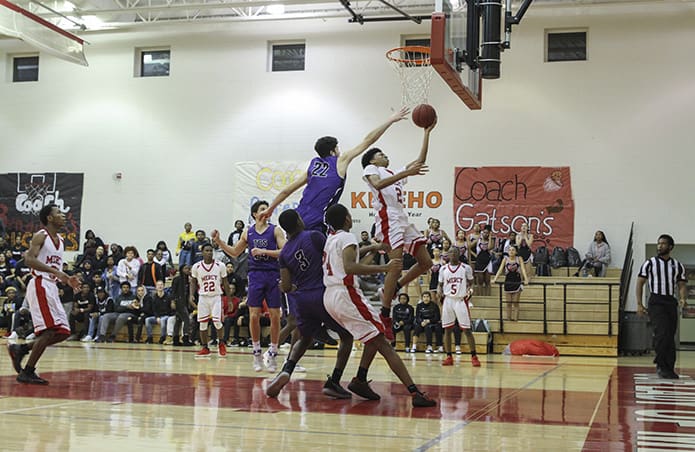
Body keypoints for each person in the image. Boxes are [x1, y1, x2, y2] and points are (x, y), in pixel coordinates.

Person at [321, 203, 436, 407]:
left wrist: (374, 247)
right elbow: (350, 267)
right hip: (345, 294)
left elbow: (349, 257)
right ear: (347, 219)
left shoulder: (332, 239)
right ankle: (414, 392)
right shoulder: (347, 237)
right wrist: (385, 267)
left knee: (374, 337)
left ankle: (360, 379)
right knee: (382, 341)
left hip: (329, 296)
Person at [259, 108, 409, 233]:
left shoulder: (313, 166)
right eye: (337, 147)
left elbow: (287, 191)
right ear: (332, 151)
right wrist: (390, 120)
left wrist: (271, 209)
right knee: (321, 260)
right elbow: (368, 140)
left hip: (299, 215)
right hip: (319, 218)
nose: (339, 150)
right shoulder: (340, 161)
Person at [266, 209, 355, 399]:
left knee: (304, 339)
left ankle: (286, 370)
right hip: (323, 294)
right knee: (346, 336)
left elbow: (287, 286)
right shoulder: (313, 236)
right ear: (299, 221)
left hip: (302, 299)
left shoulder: (284, 253)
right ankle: (334, 381)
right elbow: (333, 256)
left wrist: (296, 284)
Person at [360, 120, 436, 339]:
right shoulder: (371, 168)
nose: (385, 155)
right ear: (373, 159)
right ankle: (385, 314)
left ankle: (392, 289)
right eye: (381, 153)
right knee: (396, 263)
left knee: (426, 262)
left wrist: (426, 132)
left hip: (402, 217)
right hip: (388, 217)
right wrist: (405, 174)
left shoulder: (392, 171)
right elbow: (377, 184)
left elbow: (419, 161)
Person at [7, 203, 81, 385]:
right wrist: (56, 273)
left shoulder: (61, 241)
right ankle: (28, 371)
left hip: (52, 286)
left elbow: (55, 268)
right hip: (40, 284)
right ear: (49, 217)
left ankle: (21, 348)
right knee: (50, 331)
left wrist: (67, 278)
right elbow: (29, 260)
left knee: (63, 332)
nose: (63, 216)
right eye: (59, 213)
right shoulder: (41, 236)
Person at [212, 200, 286, 372]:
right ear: (254, 214)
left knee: (275, 316)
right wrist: (219, 241)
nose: (266, 211)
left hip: (272, 275)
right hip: (255, 276)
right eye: (262, 209)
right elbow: (235, 252)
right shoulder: (248, 232)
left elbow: (284, 251)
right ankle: (257, 352)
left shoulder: (275, 230)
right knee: (254, 315)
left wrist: (264, 252)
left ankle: (273, 353)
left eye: (267, 208)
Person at [636, 234, 687, 379]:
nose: (659, 246)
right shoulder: (650, 263)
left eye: (663, 244)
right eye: (658, 243)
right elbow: (640, 282)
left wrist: (683, 298)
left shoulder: (677, 265)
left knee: (670, 335)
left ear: (670, 247)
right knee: (662, 333)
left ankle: (669, 368)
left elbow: (682, 285)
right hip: (656, 301)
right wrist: (639, 304)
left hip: (670, 301)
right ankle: (660, 364)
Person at [438, 246, 480, 367]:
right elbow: (440, 284)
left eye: (455, 252)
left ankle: (474, 356)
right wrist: (438, 290)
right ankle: (449, 356)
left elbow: (471, 283)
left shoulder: (466, 268)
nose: (453, 254)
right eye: (451, 252)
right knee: (447, 329)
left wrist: (470, 291)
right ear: (448, 255)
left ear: (459, 254)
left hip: (461, 300)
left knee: (467, 329)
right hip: (448, 300)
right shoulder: (443, 269)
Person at [190, 243, 230, 358]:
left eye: (210, 250)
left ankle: (221, 343)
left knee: (217, 322)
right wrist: (191, 295)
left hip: (216, 297)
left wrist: (230, 299)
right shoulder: (196, 266)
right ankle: (205, 347)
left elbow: (226, 282)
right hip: (203, 297)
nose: (209, 252)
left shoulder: (220, 265)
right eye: (206, 250)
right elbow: (193, 281)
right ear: (202, 252)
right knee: (203, 324)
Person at [493, 245, 528, 321]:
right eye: (510, 250)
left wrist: (526, 279)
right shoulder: (505, 259)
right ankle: (508, 319)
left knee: (515, 302)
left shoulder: (519, 259)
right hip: (508, 281)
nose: (511, 251)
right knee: (508, 303)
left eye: (513, 250)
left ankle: (515, 320)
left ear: (516, 252)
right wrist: (495, 279)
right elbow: (500, 269)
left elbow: (523, 269)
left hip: (517, 281)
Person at [171, 265, 194, 346]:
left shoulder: (189, 280)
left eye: (188, 269)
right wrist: (173, 301)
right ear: (181, 269)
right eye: (186, 268)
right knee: (186, 320)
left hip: (185, 302)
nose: (187, 270)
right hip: (179, 302)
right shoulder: (177, 279)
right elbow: (173, 291)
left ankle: (176, 339)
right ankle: (185, 338)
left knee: (178, 320)